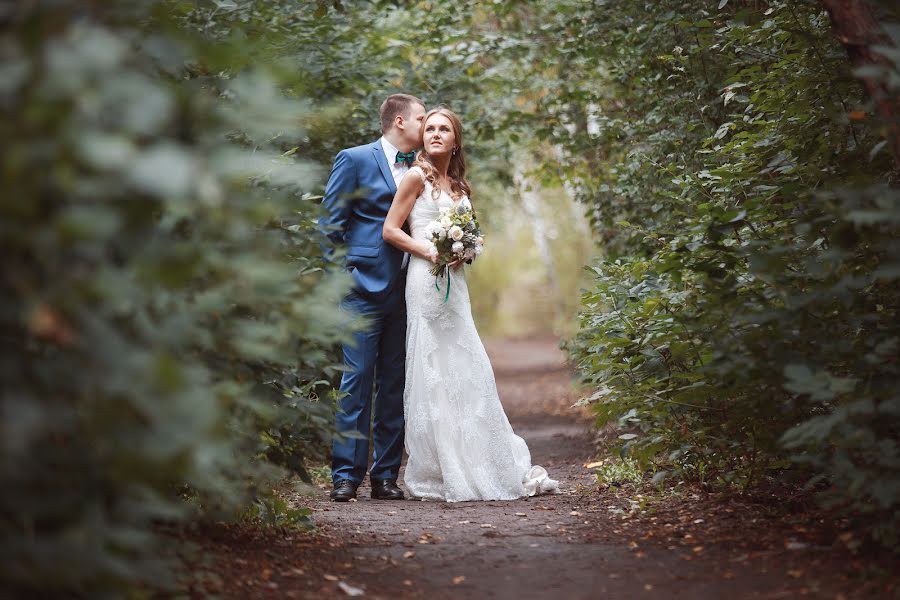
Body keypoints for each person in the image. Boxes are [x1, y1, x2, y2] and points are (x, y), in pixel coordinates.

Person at [382, 108, 560, 501]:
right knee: (434, 367)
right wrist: (431, 251)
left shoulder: (461, 188)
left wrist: (464, 250)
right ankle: (442, 464)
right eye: (429, 128)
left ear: (456, 139)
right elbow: (391, 230)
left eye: (444, 129)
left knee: (468, 363)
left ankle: (480, 456)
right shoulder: (415, 177)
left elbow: (471, 237)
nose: (435, 134)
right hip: (425, 282)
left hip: (455, 286)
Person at [320, 93, 427, 502]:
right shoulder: (355, 158)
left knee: (395, 385)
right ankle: (346, 475)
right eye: (421, 118)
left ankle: (385, 476)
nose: (426, 124)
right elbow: (331, 224)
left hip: (410, 292)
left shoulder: (425, 167)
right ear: (399, 122)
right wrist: (343, 280)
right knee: (357, 381)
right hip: (361, 291)